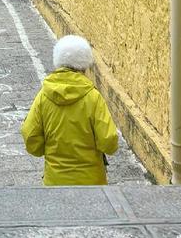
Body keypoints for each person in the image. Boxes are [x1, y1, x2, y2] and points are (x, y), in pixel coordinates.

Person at [21, 35, 120, 186]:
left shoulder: (43, 96)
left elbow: (30, 137)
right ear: (84, 66)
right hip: (92, 182)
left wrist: (47, 149)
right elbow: (109, 141)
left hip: (55, 181)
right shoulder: (93, 97)